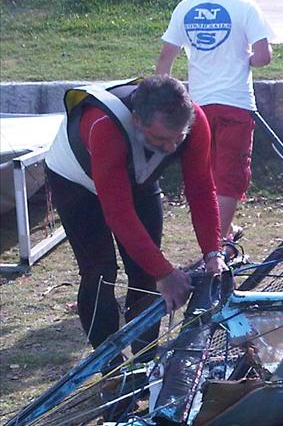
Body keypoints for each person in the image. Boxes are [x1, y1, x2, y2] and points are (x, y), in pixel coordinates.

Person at [44, 75, 225, 356]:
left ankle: (144, 363)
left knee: (144, 274)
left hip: (133, 175)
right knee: (100, 272)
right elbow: (118, 214)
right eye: (162, 139)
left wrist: (213, 252)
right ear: (138, 121)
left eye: (179, 139)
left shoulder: (194, 121)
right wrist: (165, 271)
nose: (171, 149)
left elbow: (201, 190)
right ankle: (109, 365)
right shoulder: (105, 126)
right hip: (75, 180)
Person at [156, 0, 274, 245]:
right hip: (236, 102)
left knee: (204, 175)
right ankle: (216, 244)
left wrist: (169, 99)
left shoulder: (185, 7)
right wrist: (245, 58)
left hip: (199, 106)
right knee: (231, 176)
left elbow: (164, 63)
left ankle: (219, 233)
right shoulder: (246, 6)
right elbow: (263, 56)